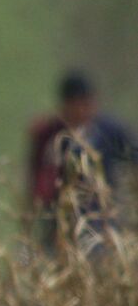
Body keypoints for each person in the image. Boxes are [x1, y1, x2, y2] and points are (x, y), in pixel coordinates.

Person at [27, 70, 138, 248]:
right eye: (77, 104)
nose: (83, 110)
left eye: (87, 103)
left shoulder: (109, 131)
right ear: (65, 106)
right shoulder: (50, 135)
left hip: (101, 220)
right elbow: (38, 179)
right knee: (33, 256)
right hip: (59, 220)